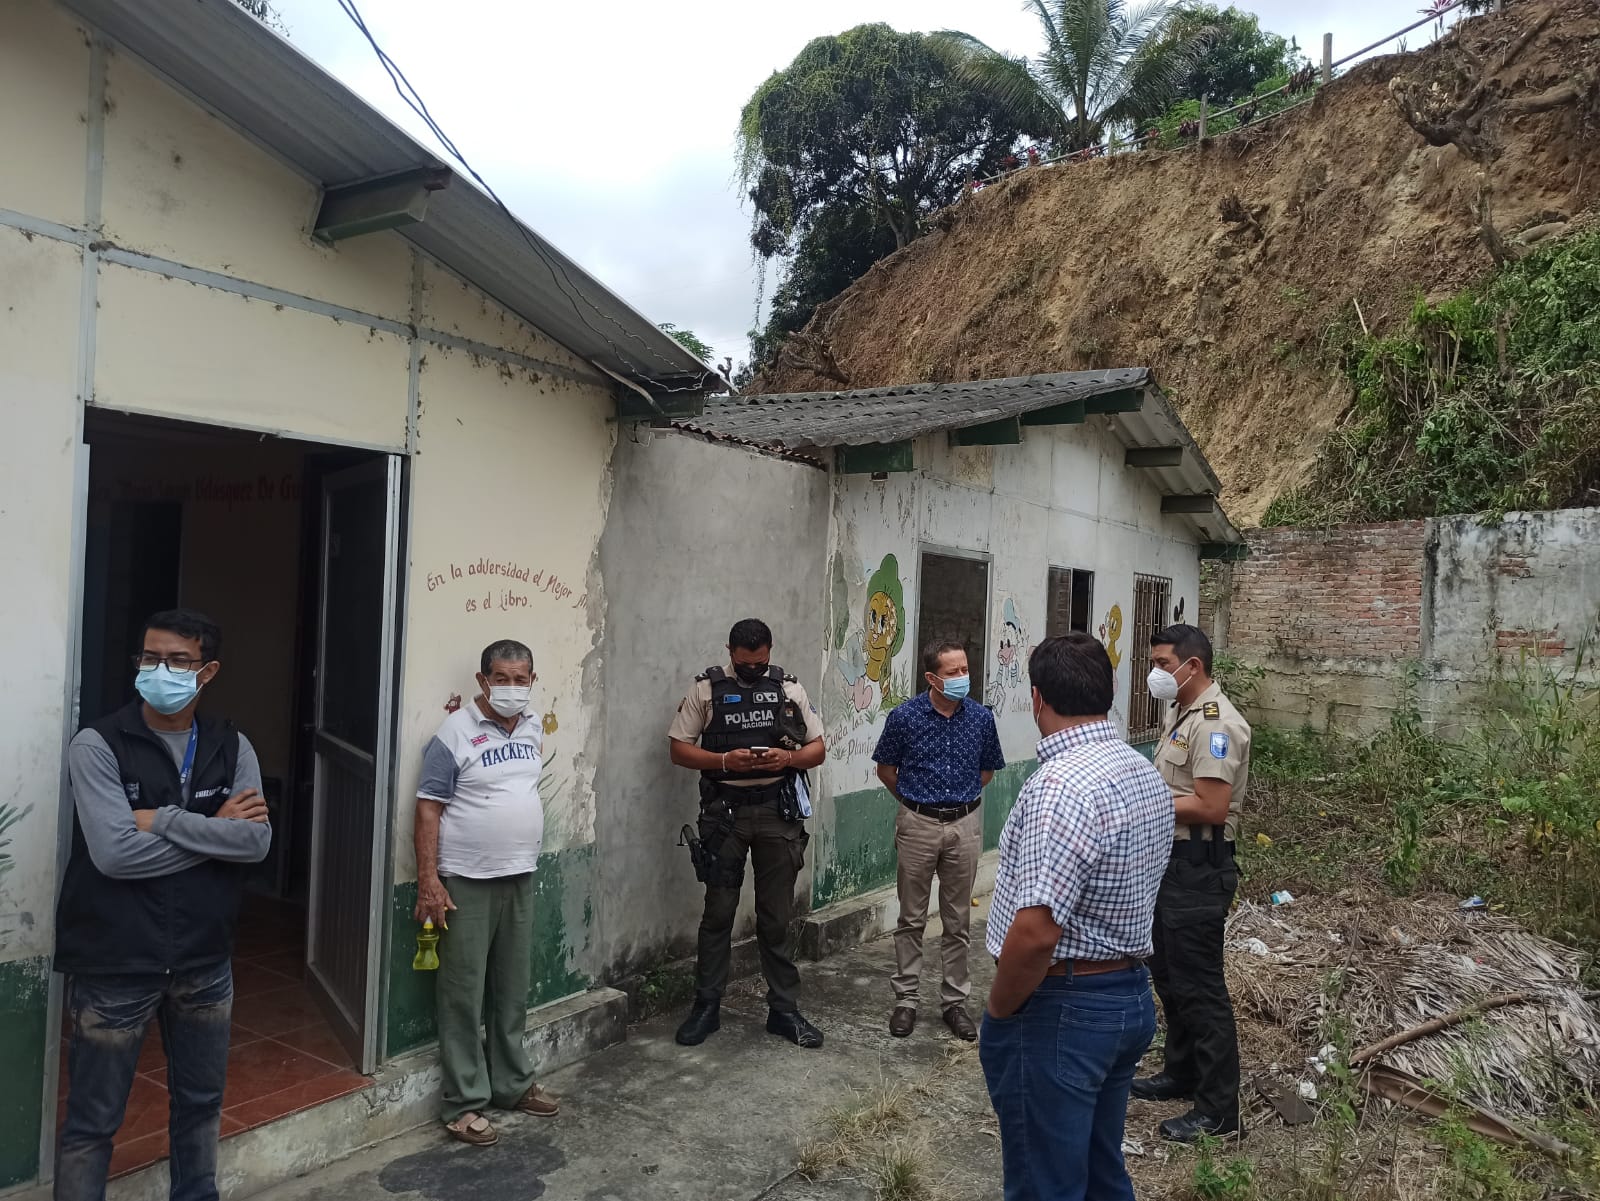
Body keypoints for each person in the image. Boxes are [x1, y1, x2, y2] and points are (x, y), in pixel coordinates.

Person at [55, 609, 272, 1201]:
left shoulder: (232, 745)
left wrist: (167, 821)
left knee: (201, 1105)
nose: (160, 670)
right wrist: (215, 830)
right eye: (150, 658)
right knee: (93, 1121)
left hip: (205, 959)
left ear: (208, 671)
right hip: (115, 961)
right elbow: (115, 855)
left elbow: (255, 843)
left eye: (178, 660)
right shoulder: (98, 744)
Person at [980, 634, 1172, 1201]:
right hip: (1127, 995)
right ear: (1108, 692)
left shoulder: (1061, 786)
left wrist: (999, 1010)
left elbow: (1038, 932)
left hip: (1065, 1006)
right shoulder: (1140, 770)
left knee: (1046, 1184)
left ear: (1037, 699)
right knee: (1099, 1171)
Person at [414, 639, 559, 1147]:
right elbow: (428, 807)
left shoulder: (533, 726)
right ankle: (463, 1102)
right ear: (483, 681)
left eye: (521, 679)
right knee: (462, 992)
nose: (512, 688)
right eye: (502, 678)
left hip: (519, 874)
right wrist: (429, 881)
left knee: (511, 988)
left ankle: (512, 1084)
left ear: (532, 680)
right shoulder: (454, 732)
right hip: (465, 881)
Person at [668, 618, 828, 1049]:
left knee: (777, 916)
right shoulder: (706, 690)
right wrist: (724, 762)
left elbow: (817, 749)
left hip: (777, 812)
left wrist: (786, 759)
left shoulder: (789, 689)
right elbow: (678, 749)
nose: (753, 670)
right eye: (744, 664)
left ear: (770, 651)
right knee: (718, 913)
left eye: (760, 663)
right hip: (726, 815)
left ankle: (784, 1010)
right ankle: (706, 1007)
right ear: (730, 652)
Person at [1131, 623, 1252, 1142]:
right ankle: (1181, 1072)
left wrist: (1143, 799)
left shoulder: (1216, 724)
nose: (1154, 672)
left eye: (1162, 663)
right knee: (1169, 974)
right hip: (1171, 863)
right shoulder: (1179, 713)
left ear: (1192, 665)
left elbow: (1211, 806)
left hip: (1198, 869)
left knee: (1200, 987)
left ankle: (1219, 1112)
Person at [873, 641, 1004, 1041]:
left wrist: (957, 801)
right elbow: (886, 770)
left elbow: (987, 771)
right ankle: (906, 1000)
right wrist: (915, 804)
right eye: (952, 672)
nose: (962, 677)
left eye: (964, 669)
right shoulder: (904, 718)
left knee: (957, 920)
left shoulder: (981, 718)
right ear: (932, 678)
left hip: (964, 825)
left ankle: (954, 1002)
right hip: (918, 824)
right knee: (911, 918)